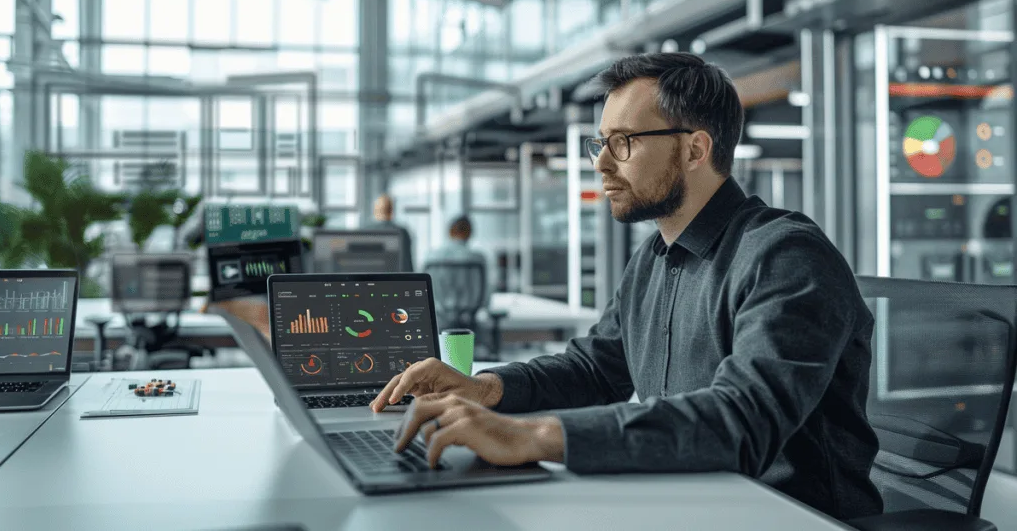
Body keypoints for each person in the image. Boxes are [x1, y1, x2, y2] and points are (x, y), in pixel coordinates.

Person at [371, 52, 883, 521]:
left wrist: (537, 435)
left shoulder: (786, 257)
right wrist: (486, 390)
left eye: (623, 142)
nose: (601, 163)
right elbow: (595, 368)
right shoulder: (654, 258)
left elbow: (741, 422)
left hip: (787, 516)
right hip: (688, 503)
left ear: (694, 149)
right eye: (602, 142)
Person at [370, 193, 414, 272]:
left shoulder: (367, 233)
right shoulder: (402, 233)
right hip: (397, 281)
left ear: (375, 211)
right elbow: (408, 265)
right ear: (391, 210)